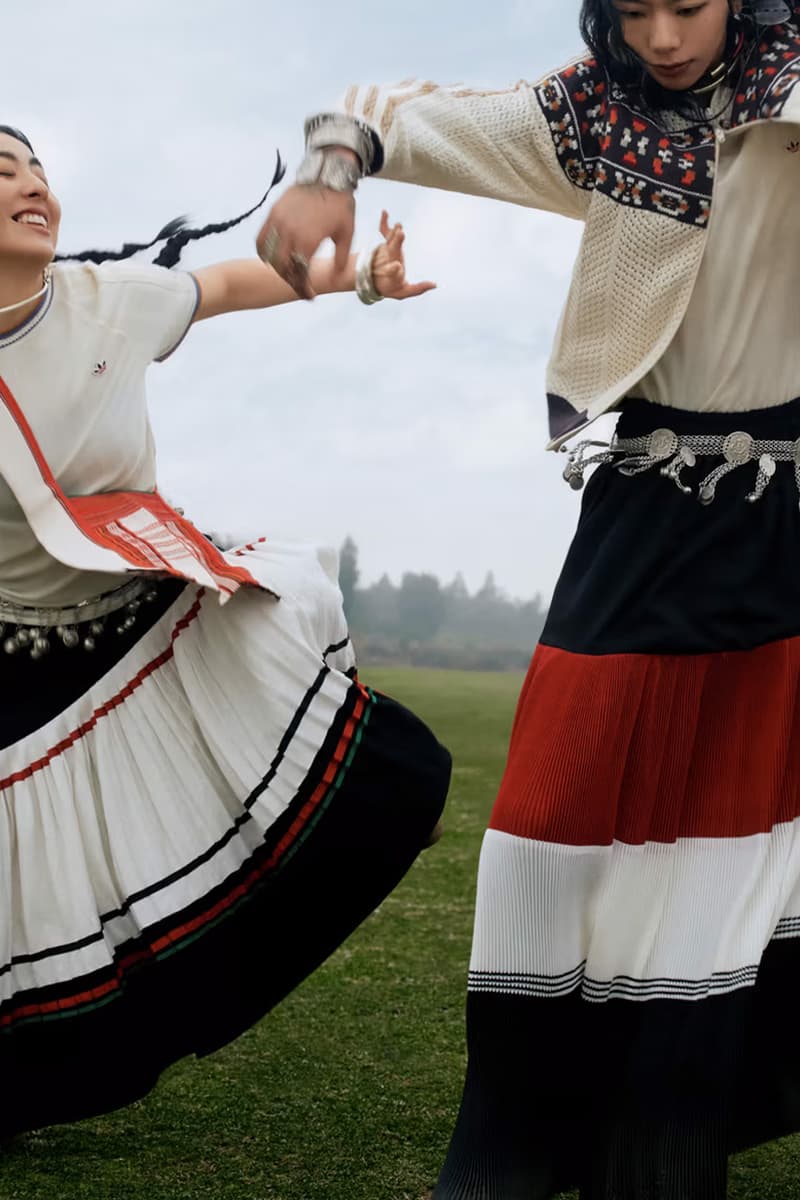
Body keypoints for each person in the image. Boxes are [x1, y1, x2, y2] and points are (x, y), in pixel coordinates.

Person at [260, 1, 800, 1196]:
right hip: (643, 509)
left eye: (686, 5)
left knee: (743, 837)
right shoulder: (591, 112)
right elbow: (389, 111)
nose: (661, 37)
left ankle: (670, 1135)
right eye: (632, 8)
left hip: (789, 522)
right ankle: (522, 1138)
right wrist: (326, 172)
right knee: (547, 823)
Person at [0, 126, 450, 1139]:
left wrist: (361, 282)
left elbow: (232, 285)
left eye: (39, 170)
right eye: (2, 172)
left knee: (379, 770)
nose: (33, 186)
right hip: (14, 653)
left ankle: (365, 811)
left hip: (148, 616)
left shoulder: (108, 300)